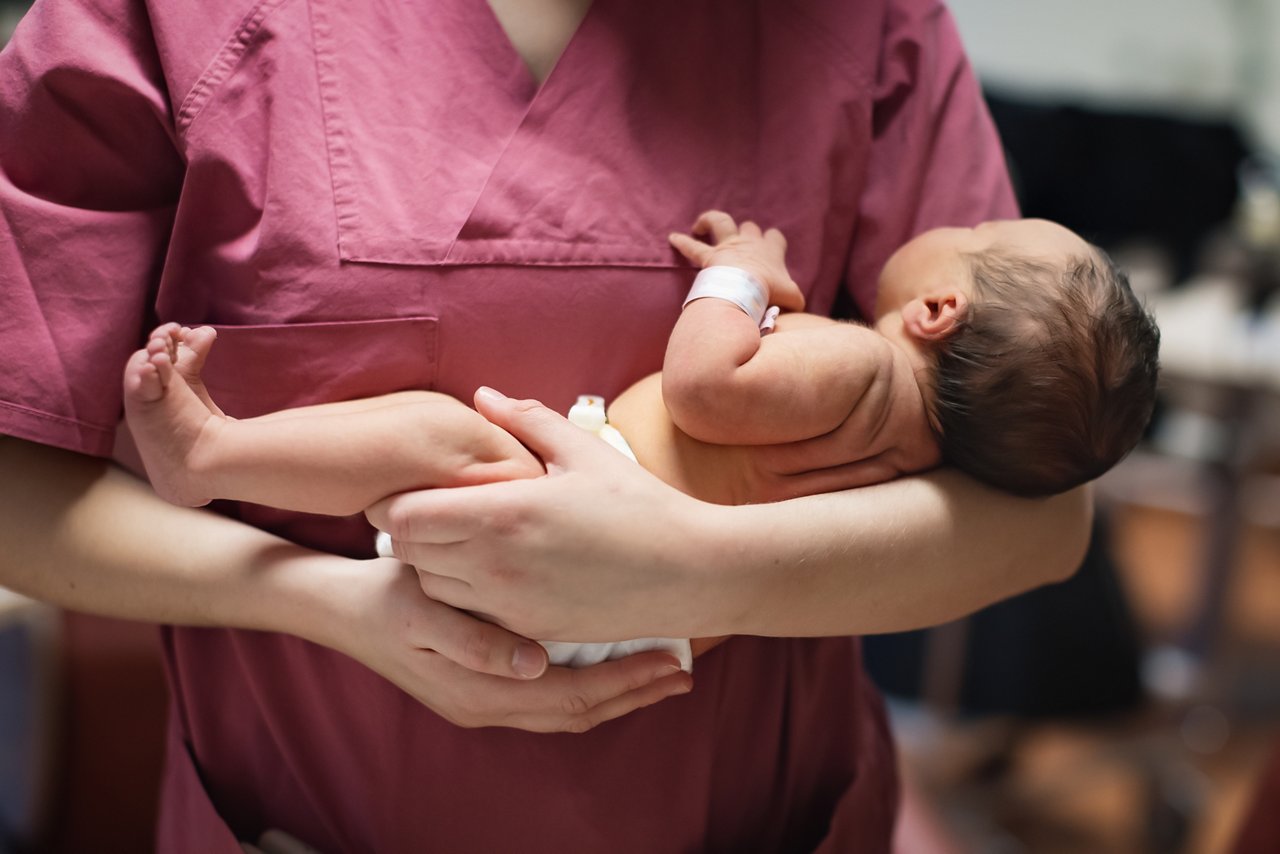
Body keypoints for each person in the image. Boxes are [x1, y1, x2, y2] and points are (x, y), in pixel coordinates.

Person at [0, 0, 1095, 850]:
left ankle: (215, 449)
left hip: (761, 804)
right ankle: (217, 453)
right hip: (299, 810)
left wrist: (696, 566)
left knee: (445, 439)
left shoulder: (860, 29)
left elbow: (1038, 517)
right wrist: (323, 601)